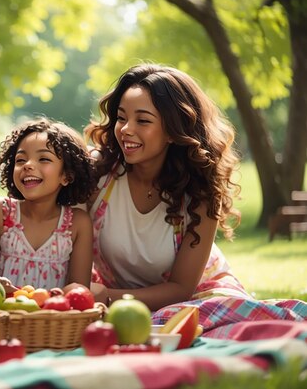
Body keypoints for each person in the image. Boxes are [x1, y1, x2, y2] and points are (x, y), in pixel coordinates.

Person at [84, 63, 306, 335]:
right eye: (121, 118)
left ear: (172, 130)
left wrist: (107, 296)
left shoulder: (200, 192)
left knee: (210, 329)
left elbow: (181, 289)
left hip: (195, 299)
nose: (126, 129)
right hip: (118, 300)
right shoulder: (98, 176)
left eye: (142, 120)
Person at [0, 118, 97, 290]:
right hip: (1, 315)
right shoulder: (1, 212)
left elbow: (80, 291)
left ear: (66, 176)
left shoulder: (77, 223)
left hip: (52, 315)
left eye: (44, 159)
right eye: (21, 160)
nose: (28, 165)